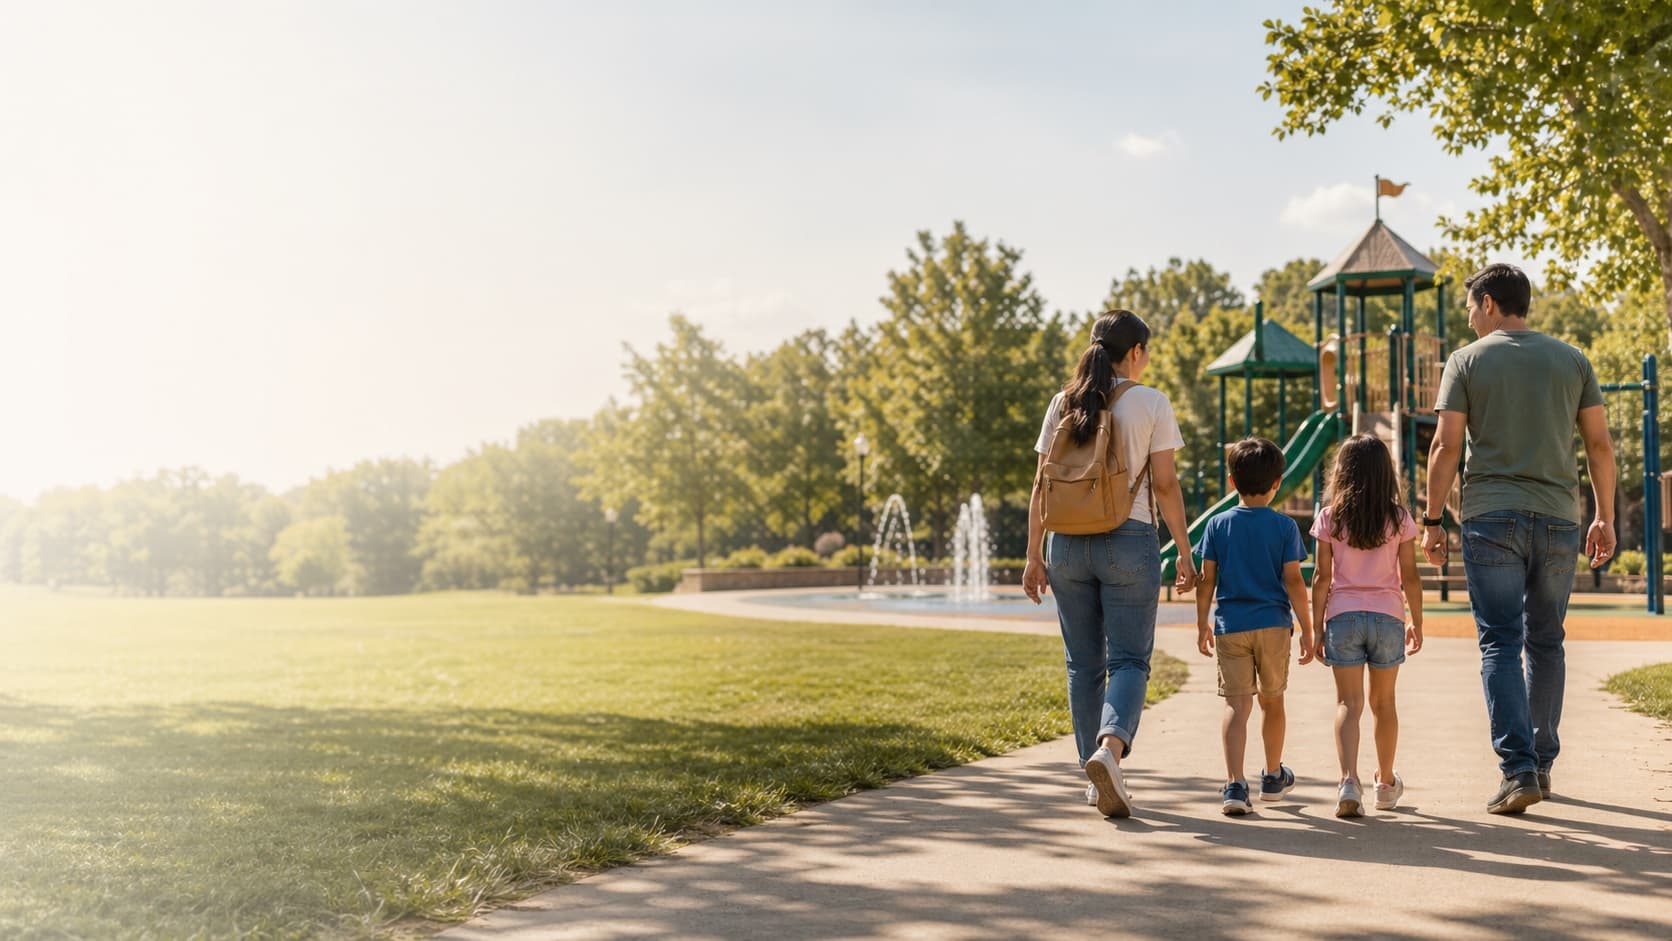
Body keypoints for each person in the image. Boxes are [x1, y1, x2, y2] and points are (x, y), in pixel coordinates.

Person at [1422, 263, 1617, 815]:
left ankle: (1518, 768)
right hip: (1560, 519)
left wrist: (1434, 521)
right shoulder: (1573, 359)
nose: (1467, 318)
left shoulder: (1465, 361)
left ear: (1487, 303)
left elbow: (1444, 447)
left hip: (1491, 519)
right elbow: (1599, 445)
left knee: (1500, 642)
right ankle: (1543, 763)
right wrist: (1603, 516)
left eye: (1468, 307)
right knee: (1547, 641)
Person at [1022, 309, 1198, 819]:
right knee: (1128, 659)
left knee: (1082, 663)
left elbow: (1041, 484)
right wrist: (1184, 551)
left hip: (1067, 547)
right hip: (1129, 538)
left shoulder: (1063, 402)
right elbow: (1164, 484)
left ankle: (1092, 771)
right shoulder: (1152, 402)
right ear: (1136, 352)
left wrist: (1034, 555)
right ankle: (1109, 751)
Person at [1194, 437, 1314, 815]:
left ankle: (1234, 785)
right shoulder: (1284, 527)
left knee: (1236, 704)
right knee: (1273, 700)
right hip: (1274, 625)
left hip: (1231, 624)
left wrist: (1202, 623)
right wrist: (1308, 627)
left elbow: (1206, 579)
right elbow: (1294, 581)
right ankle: (1273, 777)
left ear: (1232, 482)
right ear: (1278, 482)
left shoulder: (1216, 525)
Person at [1309, 434, 1423, 817]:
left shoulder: (1329, 518)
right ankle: (1386, 784)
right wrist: (1417, 623)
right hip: (1388, 616)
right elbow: (1410, 576)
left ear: (1342, 472)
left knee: (1348, 704)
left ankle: (1348, 782)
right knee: (1384, 703)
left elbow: (1321, 578)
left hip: (1342, 616)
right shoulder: (1399, 518)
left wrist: (1316, 628)